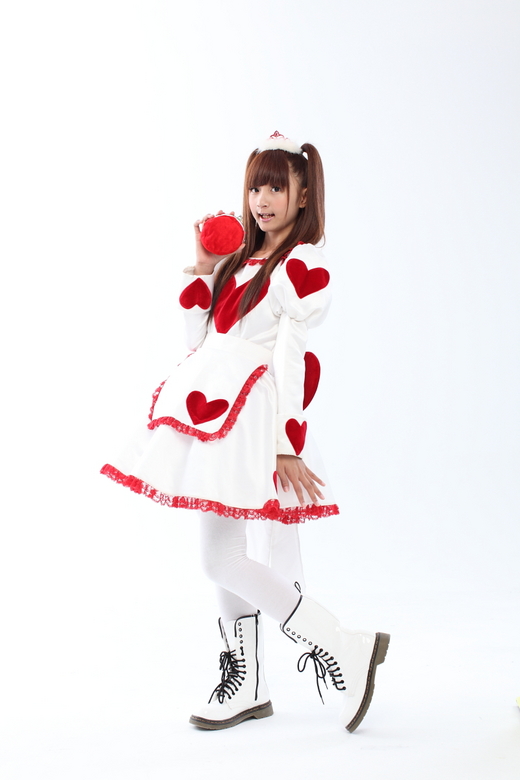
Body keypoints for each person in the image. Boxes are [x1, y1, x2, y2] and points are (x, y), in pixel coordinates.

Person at [101, 131, 389, 732]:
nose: (262, 199)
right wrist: (206, 269)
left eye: (276, 187)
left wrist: (286, 444)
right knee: (222, 555)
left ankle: (342, 644)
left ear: (303, 194)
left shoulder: (298, 266)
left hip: (246, 417)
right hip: (212, 409)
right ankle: (250, 682)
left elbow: (291, 358)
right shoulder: (239, 263)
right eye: (256, 186)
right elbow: (198, 343)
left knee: (221, 559)